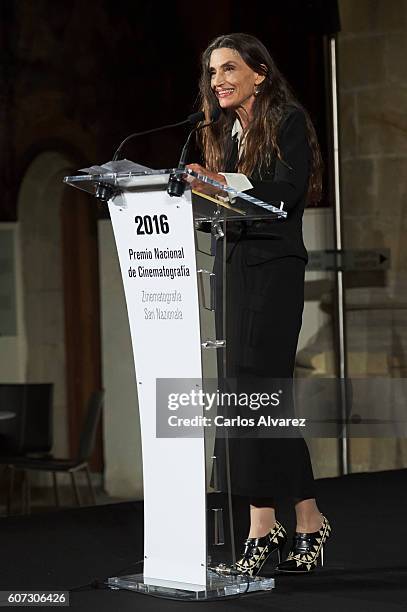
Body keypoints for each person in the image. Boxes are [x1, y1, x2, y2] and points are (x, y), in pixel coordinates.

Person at [186, 33, 331, 576]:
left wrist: (222, 184)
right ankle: (276, 520)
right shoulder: (224, 131)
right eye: (212, 71)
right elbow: (227, 202)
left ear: (259, 73)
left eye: (228, 68)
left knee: (262, 394)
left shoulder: (287, 121)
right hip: (231, 271)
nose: (217, 80)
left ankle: (290, 519)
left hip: (273, 272)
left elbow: (283, 195)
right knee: (242, 399)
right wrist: (202, 189)